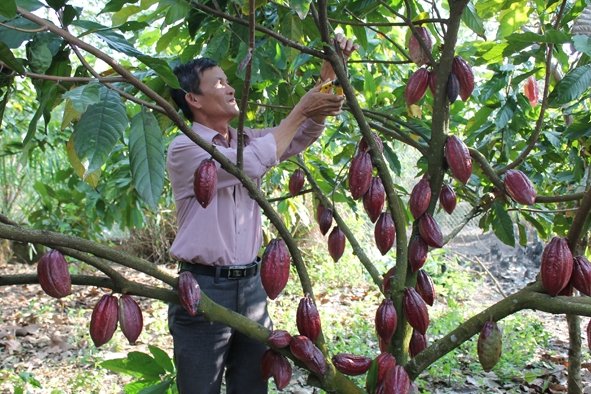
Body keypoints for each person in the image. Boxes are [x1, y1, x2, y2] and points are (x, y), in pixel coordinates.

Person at [166, 34, 359, 394]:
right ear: (193, 99)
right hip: (204, 287)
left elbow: (296, 137)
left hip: (252, 287)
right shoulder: (185, 147)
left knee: (252, 386)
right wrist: (300, 108)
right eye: (219, 82)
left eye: (228, 80)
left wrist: (328, 79)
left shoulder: (242, 138)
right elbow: (252, 164)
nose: (230, 88)